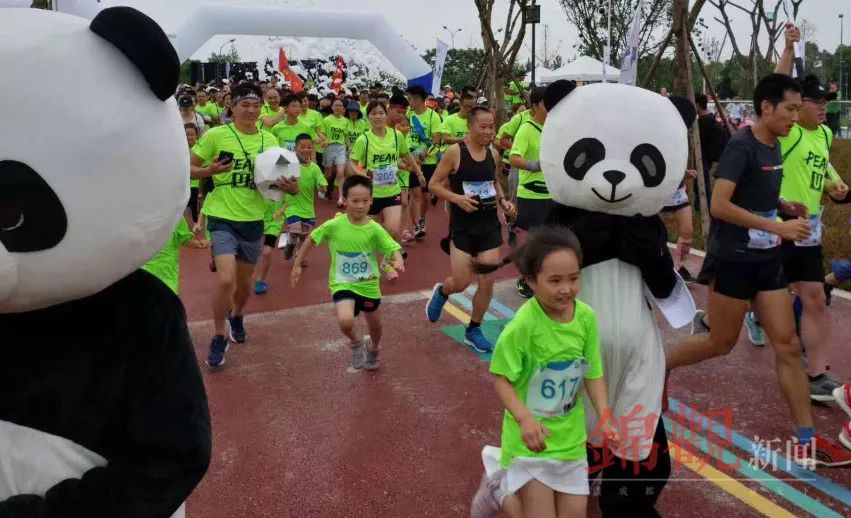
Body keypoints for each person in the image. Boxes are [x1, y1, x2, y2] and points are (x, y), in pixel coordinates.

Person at [664, 73, 851, 467]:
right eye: (790, 109)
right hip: (733, 258)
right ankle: (659, 368)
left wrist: (783, 206)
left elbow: (759, 192)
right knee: (721, 342)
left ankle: (807, 440)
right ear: (767, 108)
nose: (795, 116)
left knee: (787, 344)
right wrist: (777, 227)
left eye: (798, 108)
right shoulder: (741, 145)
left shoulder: (777, 144)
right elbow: (719, 206)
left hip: (766, 261)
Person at [468, 227, 618, 518]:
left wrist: (604, 416)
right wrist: (524, 419)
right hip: (530, 443)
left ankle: (498, 491)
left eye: (574, 278)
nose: (567, 289)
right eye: (555, 281)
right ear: (531, 281)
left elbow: (593, 373)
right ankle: (498, 491)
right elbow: (501, 379)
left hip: (570, 441)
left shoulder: (586, 317)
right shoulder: (523, 326)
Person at [748, 28, 850, 401]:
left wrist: (835, 186)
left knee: (814, 297)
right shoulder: (787, 132)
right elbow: (776, 88)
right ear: (795, 105)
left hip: (809, 231)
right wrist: (788, 48)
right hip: (775, 228)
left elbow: (819, 169)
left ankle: (817, 375)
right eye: (815, 101)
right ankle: (742, 314)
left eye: (825, 101)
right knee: (759, 298)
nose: (823, 107)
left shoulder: (823, 134)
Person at [190, 83, 299, 368]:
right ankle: (218, 335)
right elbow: (188, 167)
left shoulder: (270, 140)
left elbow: (287, 185)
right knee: (225, 280)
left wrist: (291, 188)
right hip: (221, 217)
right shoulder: (216, 135)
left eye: (255, 105)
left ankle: (237, 315)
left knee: (243, 285)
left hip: (254, 219)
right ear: (232, 107)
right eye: (244, 105)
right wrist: (209, 171)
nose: (251, 110)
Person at [425, 106, 516, 352]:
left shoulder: (493, 153)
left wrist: (503, 201)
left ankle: (473, 329)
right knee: (461, 282)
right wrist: (458, 199)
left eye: (491, 127)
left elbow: (493, 181)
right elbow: (434, 184)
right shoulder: (455, 153)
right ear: (470, 127)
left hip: (489, 226)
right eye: (483, 127)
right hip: (463, 227)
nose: (488, 131)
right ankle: (443, 291)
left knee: (487, 280)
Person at [291, 175, 404, 371]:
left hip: (368, 285)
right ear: (344, 200)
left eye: (365, 201)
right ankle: (356, 342)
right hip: (342, 282)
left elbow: (391, 246)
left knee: (376, 327)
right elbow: (312, 238)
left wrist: (398, 259)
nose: (360, 206)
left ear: (371, 201)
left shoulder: (374, 228)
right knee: (345, 321)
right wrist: (297, 264)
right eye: (355, 201)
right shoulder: (334, 225)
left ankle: (373, 348)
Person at [349, 101, 424, 279]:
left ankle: (388, 263)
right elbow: (352, 162)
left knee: (393, 229)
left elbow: (406, 155)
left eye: (381, 113)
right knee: (367, 235)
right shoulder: (364, 139)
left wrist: (419, 172)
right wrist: (360, 173)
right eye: (373, 114)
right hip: (371, 194)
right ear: (368, 117)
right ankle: (366, 265)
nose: (378, 117)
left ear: (386, 114)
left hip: (392, 191)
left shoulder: (397, 136)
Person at [509, 86, 551, 298]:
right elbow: (513, 158)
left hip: (553, 194)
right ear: (534, 106)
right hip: (531, 194)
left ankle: (544, 278)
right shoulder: (526, 128)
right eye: (546, 103)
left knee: (551, 240)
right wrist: (534, 165)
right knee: (533, 241)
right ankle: (526, 278)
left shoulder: (555, 127)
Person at [280, 134, 328, 262]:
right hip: (292, 205)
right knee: (295, 229)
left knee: (304, 235)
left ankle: (299, 257)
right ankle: (290, 245)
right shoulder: (291, 165)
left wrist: (323, 188)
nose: (306, 150)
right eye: (302, 147)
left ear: (313, 149)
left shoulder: (315, 168)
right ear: (296, 148)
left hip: (307, 207)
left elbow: (322, 184)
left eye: (309, 147)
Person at [406, 85, 441, 241]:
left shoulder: (433, 116)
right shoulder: (408, 114)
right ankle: (416, 224)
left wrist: (422, 154)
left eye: (410, 99)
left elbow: (436, 142)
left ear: (418, 99)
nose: (409, 102)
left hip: (429, 161)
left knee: (426, 197)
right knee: (415, 195)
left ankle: (421, 218)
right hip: (411, 159)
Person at [142, 218, 210, 295]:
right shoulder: (176, 216)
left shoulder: (176, 217)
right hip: (150, 270)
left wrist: (198, 244)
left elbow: (185, 239)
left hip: (164, 272)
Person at [661, 170, 698, 282]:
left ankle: (681, 268)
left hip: (676, 189)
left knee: (687, 231)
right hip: (653, 188)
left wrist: (684, 171)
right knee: (651, 231)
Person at [695, 93, 728, 210]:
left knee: (703, 182)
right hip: (709, 157)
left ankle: (706, 206)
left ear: (697, 105)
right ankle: (700, 205)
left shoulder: (704, 122)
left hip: (705, 157)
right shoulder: (710, 119)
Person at [322, 98, 349, 205]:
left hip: (341, 147)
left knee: (341, 172)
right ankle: (327, 187)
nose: (338, 107)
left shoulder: (345, 121)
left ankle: (341, 198)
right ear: (332, 107)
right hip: (329, 147)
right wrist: (324, 141)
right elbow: (322, 133)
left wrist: (348, 148)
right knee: (328, 174)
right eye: (336, 105)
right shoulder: (327, 120)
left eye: (340, 105)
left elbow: (345, 136)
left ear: (343, 108)